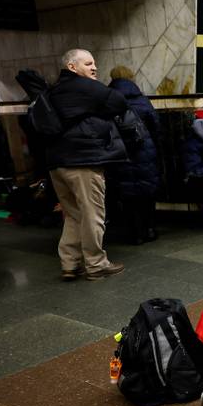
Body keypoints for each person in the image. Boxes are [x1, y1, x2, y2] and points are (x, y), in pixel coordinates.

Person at [47, 49, 127, 281]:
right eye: (89, 63)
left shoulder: (53, 90)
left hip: (56, 163)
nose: (94, 68)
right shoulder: (85, 87)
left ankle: (70, 264)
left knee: (73, 215)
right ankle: (96, 264)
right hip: (82, 162)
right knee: (93, 214)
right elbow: (119, 102)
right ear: (72, 67)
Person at [105, 66, 160, 245]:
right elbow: (156, 126)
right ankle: (150, 229)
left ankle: (135, 234)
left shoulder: (106, 99)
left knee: (128, 194)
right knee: (147, 191)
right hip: (145, 150)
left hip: (121, 153)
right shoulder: (142, 100)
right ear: (131, 77)